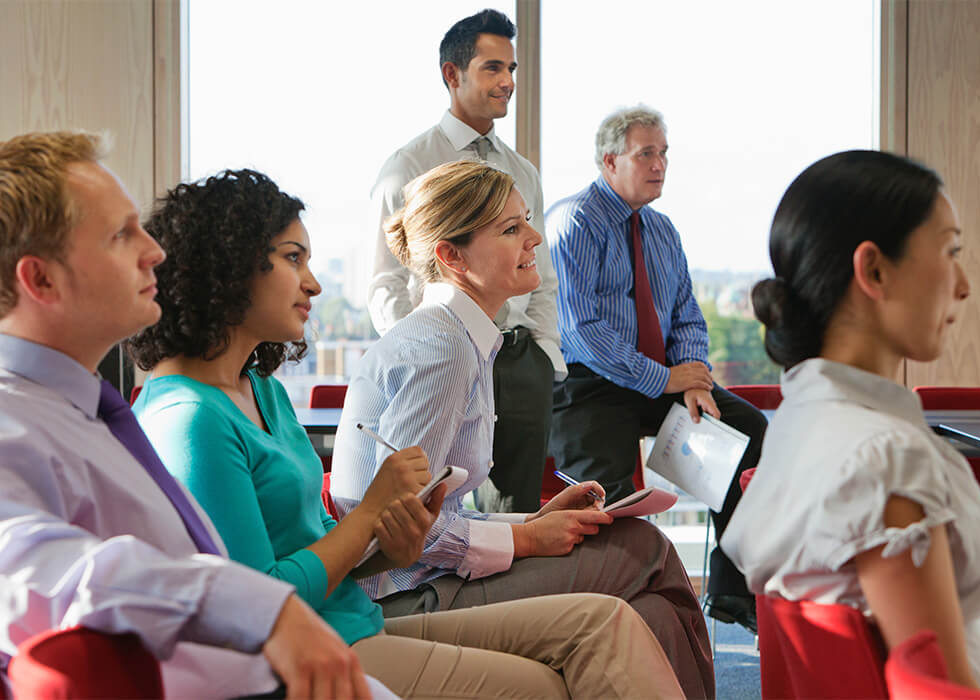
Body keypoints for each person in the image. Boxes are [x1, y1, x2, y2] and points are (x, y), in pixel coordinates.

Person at [127, 167, 685, 699]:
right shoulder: (191, 419)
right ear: (226, 269)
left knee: (607, 621)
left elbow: (330, 537)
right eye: (292, 259)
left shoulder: (260, 390)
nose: (314, 284)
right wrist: (375, 518)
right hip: (319, 645)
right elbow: (257, 605)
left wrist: (392, 539)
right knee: (578, 653)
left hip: (354, 616)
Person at [0, 131, 392, 699]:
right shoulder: (14, 422)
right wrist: (262, 609)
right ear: (40, 279)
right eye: (120, 235)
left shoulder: (88, 410)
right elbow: (44, 571)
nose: (155, 252)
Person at [335, 159, 715, 699]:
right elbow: (406, 534)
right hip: (409, 593)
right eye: (511, 229)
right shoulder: (441, 347)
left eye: (526, 221)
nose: (535, 237)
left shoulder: (459, 337)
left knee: (650, 597)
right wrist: (526, 537)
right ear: (451, 256)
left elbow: (438, 510)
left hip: (426, 578)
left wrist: (530, 519)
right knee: (645, 554)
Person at [720, 150, 980, 693]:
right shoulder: (887, 458)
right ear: (873, 269)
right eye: (950, 251)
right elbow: (939, 688)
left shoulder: (800, 424)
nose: (963, 285)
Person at [546, 104, 767, 634]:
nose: (660, 164)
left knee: (748, 428)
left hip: (657, 378)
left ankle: (732, 591)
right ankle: (612, 616)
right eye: (646, 153)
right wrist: (665, 379)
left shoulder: (663, 231)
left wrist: (691, 377)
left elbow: (687, 315)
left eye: (664, 153)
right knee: (611, 503)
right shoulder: (573, 222)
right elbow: (583, 331)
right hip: (588, 383)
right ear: (609, 160)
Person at [368, 9, 564, 513]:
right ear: (452, 75)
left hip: (517, 358)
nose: (508, 82)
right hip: (441, 354)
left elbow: (539, 272)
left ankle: (520, 597)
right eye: (493, 68)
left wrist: (543, 352)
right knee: (433, 508)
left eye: (513, 69)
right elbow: (385, 283)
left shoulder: (522, 171)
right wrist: (421, 350)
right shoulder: (408, 167)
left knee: (518, 516)